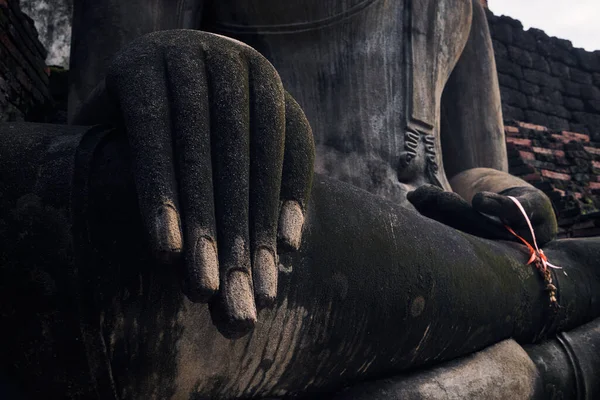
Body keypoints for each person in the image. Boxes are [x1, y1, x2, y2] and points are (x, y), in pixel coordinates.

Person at [1, 0, 599, 398]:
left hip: (442, 240)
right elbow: (88, 134)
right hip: (280, 215)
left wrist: (512, 195)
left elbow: (475, 164)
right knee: (101, 253)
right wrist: (194, 64)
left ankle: (527, 337)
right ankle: (542, 332)